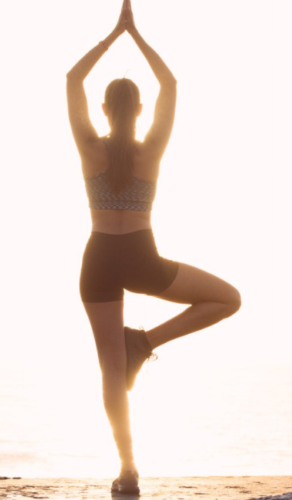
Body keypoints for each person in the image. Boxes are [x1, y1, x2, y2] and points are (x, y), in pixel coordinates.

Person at [66, 0, 242, 494]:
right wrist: (137, 36)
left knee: (110, 370)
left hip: (98, 258)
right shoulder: (153, 149)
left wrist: (112, 36)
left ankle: (127, 468)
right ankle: (145, 342)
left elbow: (71, 81)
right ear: (139, 110)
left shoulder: (89, 147)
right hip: (142, 257)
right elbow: (171, 86)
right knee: (228, 299)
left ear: (104, 109)